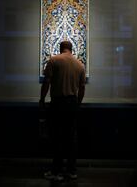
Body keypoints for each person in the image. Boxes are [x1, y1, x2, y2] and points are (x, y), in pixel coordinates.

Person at [39, 40, 86, 181]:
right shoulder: (79, 64)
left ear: (60, 48)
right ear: (71, 49)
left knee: (57, 136)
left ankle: (56, 171)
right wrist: (78, 103)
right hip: (72, 102)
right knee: (71, 138)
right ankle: (72, 171)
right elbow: (82, 88)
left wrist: (42, 99)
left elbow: (47, 82)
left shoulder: (54, 60)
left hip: (58, 102)